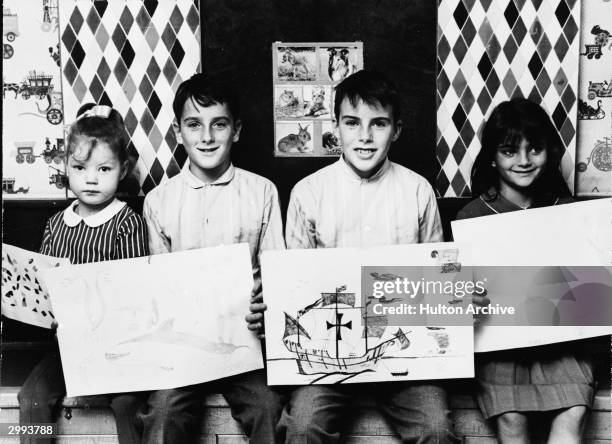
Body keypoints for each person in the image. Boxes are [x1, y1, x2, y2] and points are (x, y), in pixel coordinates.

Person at [278, 70, 458, 444]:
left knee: (436, 430)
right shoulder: (308, 193)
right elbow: (293, 287)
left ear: (397, 130)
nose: (364, 136)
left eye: (378, 123)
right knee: (302, 426)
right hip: (329, 356)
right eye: (352, 123)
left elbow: (439, 281)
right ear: (335, 128)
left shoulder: (417, 191)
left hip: (402, 357)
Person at [125, 73, 285, 444]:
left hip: (246, 348)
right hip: (183, 350)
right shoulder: (160, 201)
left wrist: (267, 306)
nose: (207, 137)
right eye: (194, 125)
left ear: (237, 130)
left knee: (269, 409)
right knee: (163, 414)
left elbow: (277, 275)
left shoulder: (262, 192)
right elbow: (158, 287)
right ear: (179, 132)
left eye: (219, 124)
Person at [455, 98, 595, 443]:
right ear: (492, 155)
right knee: (511, 419)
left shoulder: (569, 212)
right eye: (509, 151)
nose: (523, 161)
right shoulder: (472, 217)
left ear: (548, 152)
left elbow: (591, 289)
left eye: (534, 149)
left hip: (562, 345)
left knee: (572, 412)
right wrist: (468, 300)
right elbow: (459, 297)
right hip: (500, 349)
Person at [18, 103, 149, 444]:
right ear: (66, 166)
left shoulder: (126, 223)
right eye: (80, 167)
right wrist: (46, 312)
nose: (91, 178)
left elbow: (134, 292)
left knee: (128, 403)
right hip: (66, 347)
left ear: (123, 170)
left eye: (104, 168)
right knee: (30, 397)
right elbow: (44, 288)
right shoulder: (56, 224)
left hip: (115, 346)